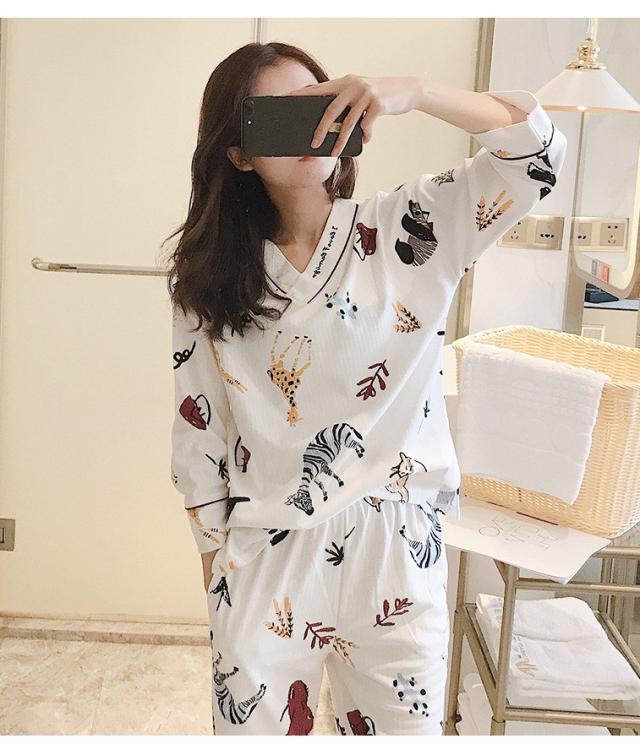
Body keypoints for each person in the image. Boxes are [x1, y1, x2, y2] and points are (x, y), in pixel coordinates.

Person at [167, 41, 567, 735]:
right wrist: (217, 576)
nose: (310, 130)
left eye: (321, 107)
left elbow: (539, 156)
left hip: (397, 548)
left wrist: (417, 91)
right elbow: (200, 437)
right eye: (278, 116)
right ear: (240, 152)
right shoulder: (211, 276)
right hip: (266, 550)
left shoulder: (415, 225)